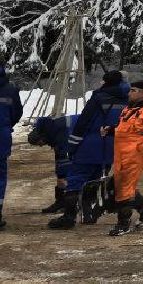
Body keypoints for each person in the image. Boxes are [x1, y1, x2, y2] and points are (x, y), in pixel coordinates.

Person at [50, 69, 128, 230]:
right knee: (94, 179)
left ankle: (68, 217)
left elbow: (83, 123)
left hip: (90, 145)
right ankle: (89, 214)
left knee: (76, 179)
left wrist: (71, 147)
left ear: (106, 82)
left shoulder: (98, 97)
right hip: (112, 146)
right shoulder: (126, 99)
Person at [102, 79, 143, 236]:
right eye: (130, 90)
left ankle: (123, 223)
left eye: (133, 90)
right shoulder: (128, 109)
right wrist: (110, 130)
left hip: (135, 156)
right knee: (122, 186)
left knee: (123, 189)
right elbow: (123, 129)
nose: (129, 93)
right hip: (120, 155)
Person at [27, 113, 74, 214]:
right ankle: (61, 201)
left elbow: (63, 157)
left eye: (40, 143)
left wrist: (61, 175)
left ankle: (66, 203)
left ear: (42, 137)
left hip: (81, 133)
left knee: (66, 172)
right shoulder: (49, 129)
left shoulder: (58, 135)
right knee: (62, 172)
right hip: (72, 133)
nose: (41, 146)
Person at [0, 63, 23, 230]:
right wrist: (7, 125)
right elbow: (17, 112)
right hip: (2, 136)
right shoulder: (10, 89)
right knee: (0, 176)